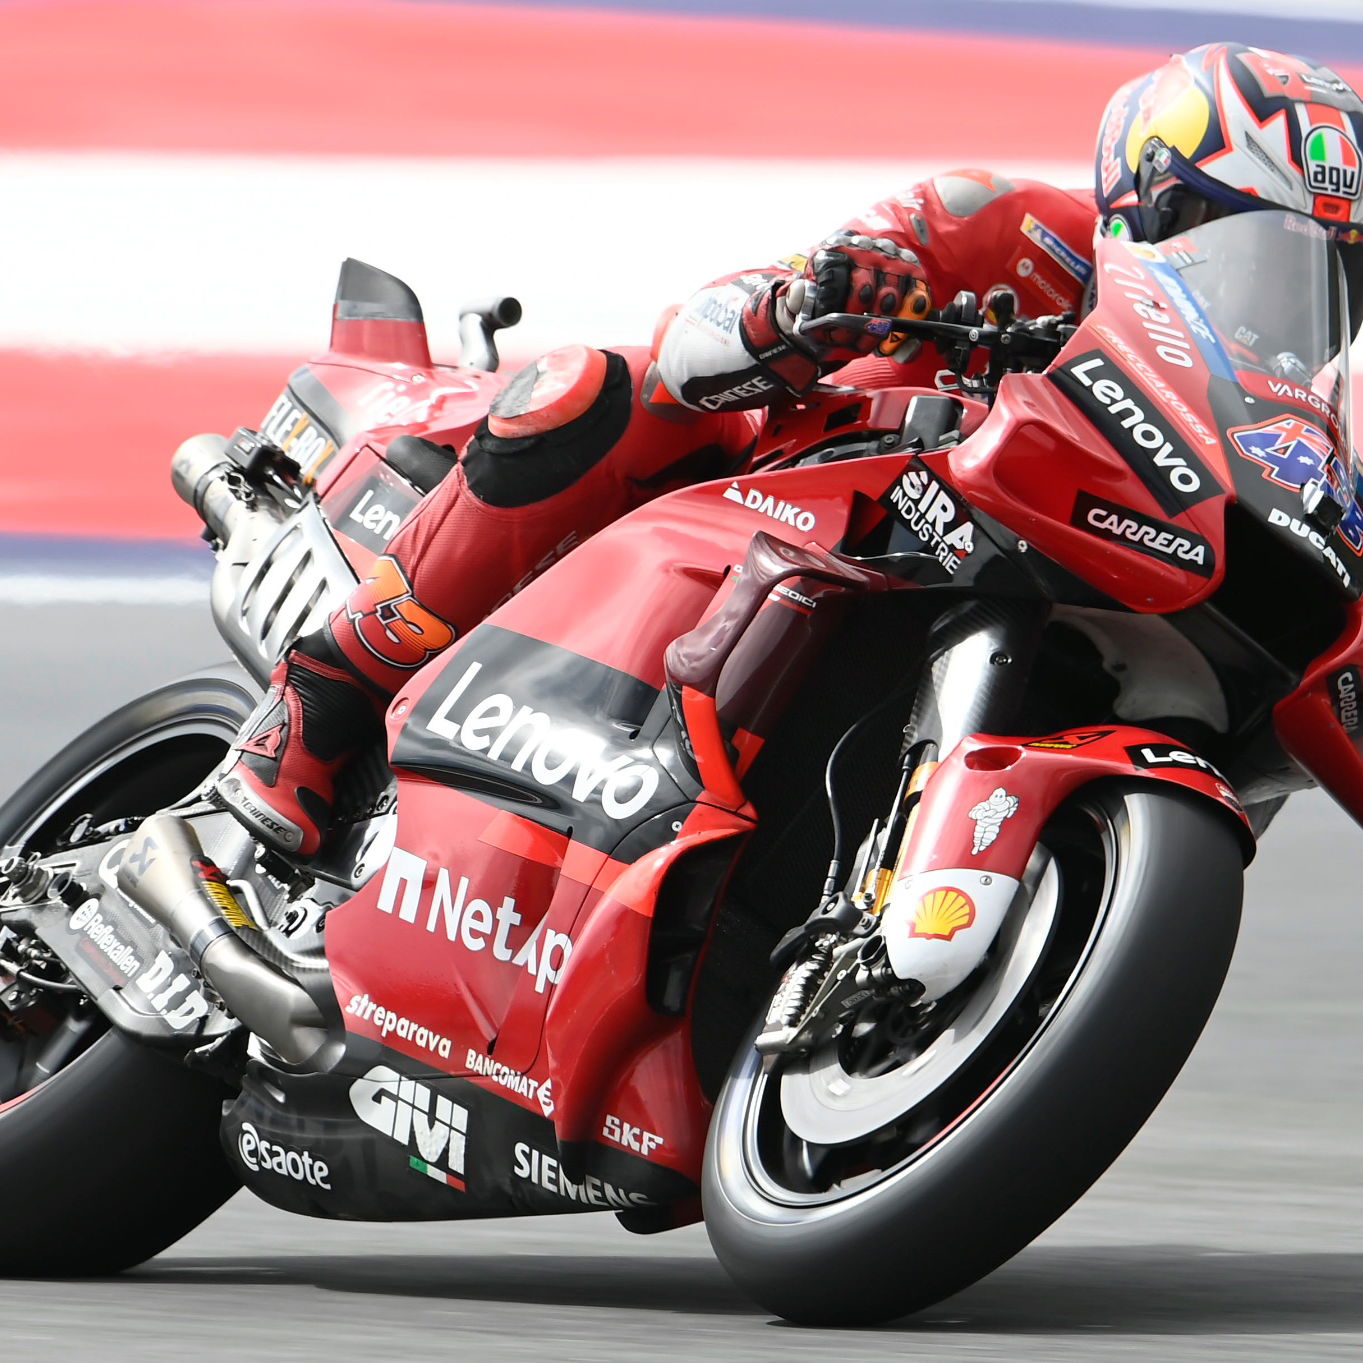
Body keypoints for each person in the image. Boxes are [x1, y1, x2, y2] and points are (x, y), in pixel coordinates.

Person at [213, 41, 1363, 857]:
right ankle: (320, 699)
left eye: (1332, 277)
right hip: (800, 487)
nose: (1287, 302)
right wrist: (808, 305)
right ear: (1156, 206)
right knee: (605, 391)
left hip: (1011, 589)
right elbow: (716, 329)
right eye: (1255, 249)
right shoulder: (1006, 225)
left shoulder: (1289, 423)